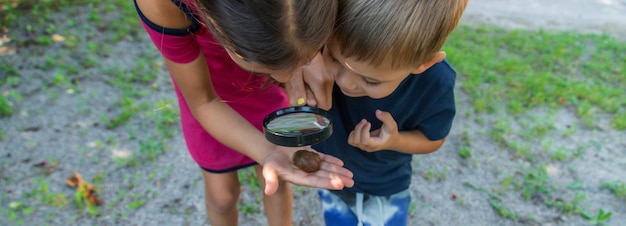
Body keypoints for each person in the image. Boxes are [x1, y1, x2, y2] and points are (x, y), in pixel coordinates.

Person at [134, 0, 354, 225]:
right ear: (218, 27)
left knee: (274, 185)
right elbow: (204, 101)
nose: (287, 79)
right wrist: (267, 151)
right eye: (269, 69)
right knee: (222, 197)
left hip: (265, 85)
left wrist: (310, 54)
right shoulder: (161, 4)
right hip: (208, 88)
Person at [312, 0, 469, 225]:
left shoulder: (434, 83)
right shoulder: (318, 47)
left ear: (423, 64)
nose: (344, 81)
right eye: (334, 58)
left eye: (370, 80)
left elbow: (433, 139)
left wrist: (394, 140)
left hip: (385, 186)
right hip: (331, 177)